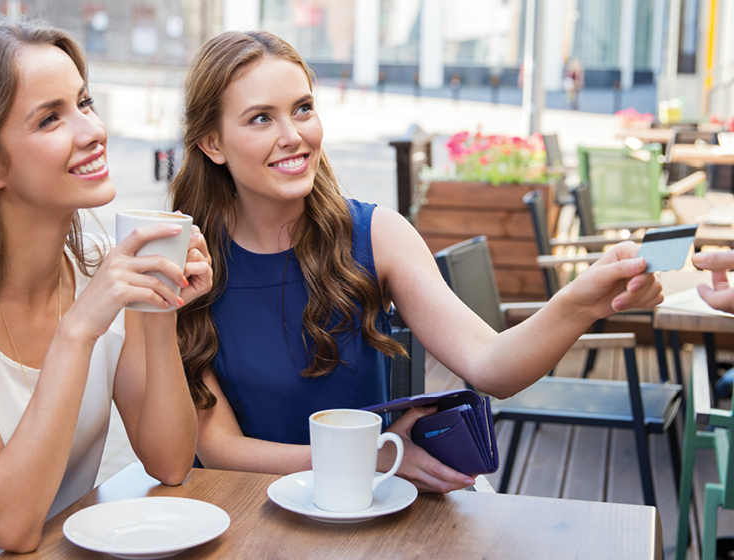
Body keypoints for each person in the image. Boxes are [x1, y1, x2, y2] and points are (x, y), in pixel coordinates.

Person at [170, 30, 663, 495]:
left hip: (366, 513)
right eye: (261, 118)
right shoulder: (187, 262)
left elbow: (490, 366)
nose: (293, 135)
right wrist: (374, 456)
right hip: (242, 519)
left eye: (303, 109)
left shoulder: (376, 234)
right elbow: (218, 450)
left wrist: (579, 304)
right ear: (212, 143)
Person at [0, 20, 211, 560]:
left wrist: (159, 306)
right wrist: (79, 328)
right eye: (50, 117)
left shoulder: (97, 266)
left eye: (85, 102)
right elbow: (10, 523)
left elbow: (169, 461)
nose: (93, 131)